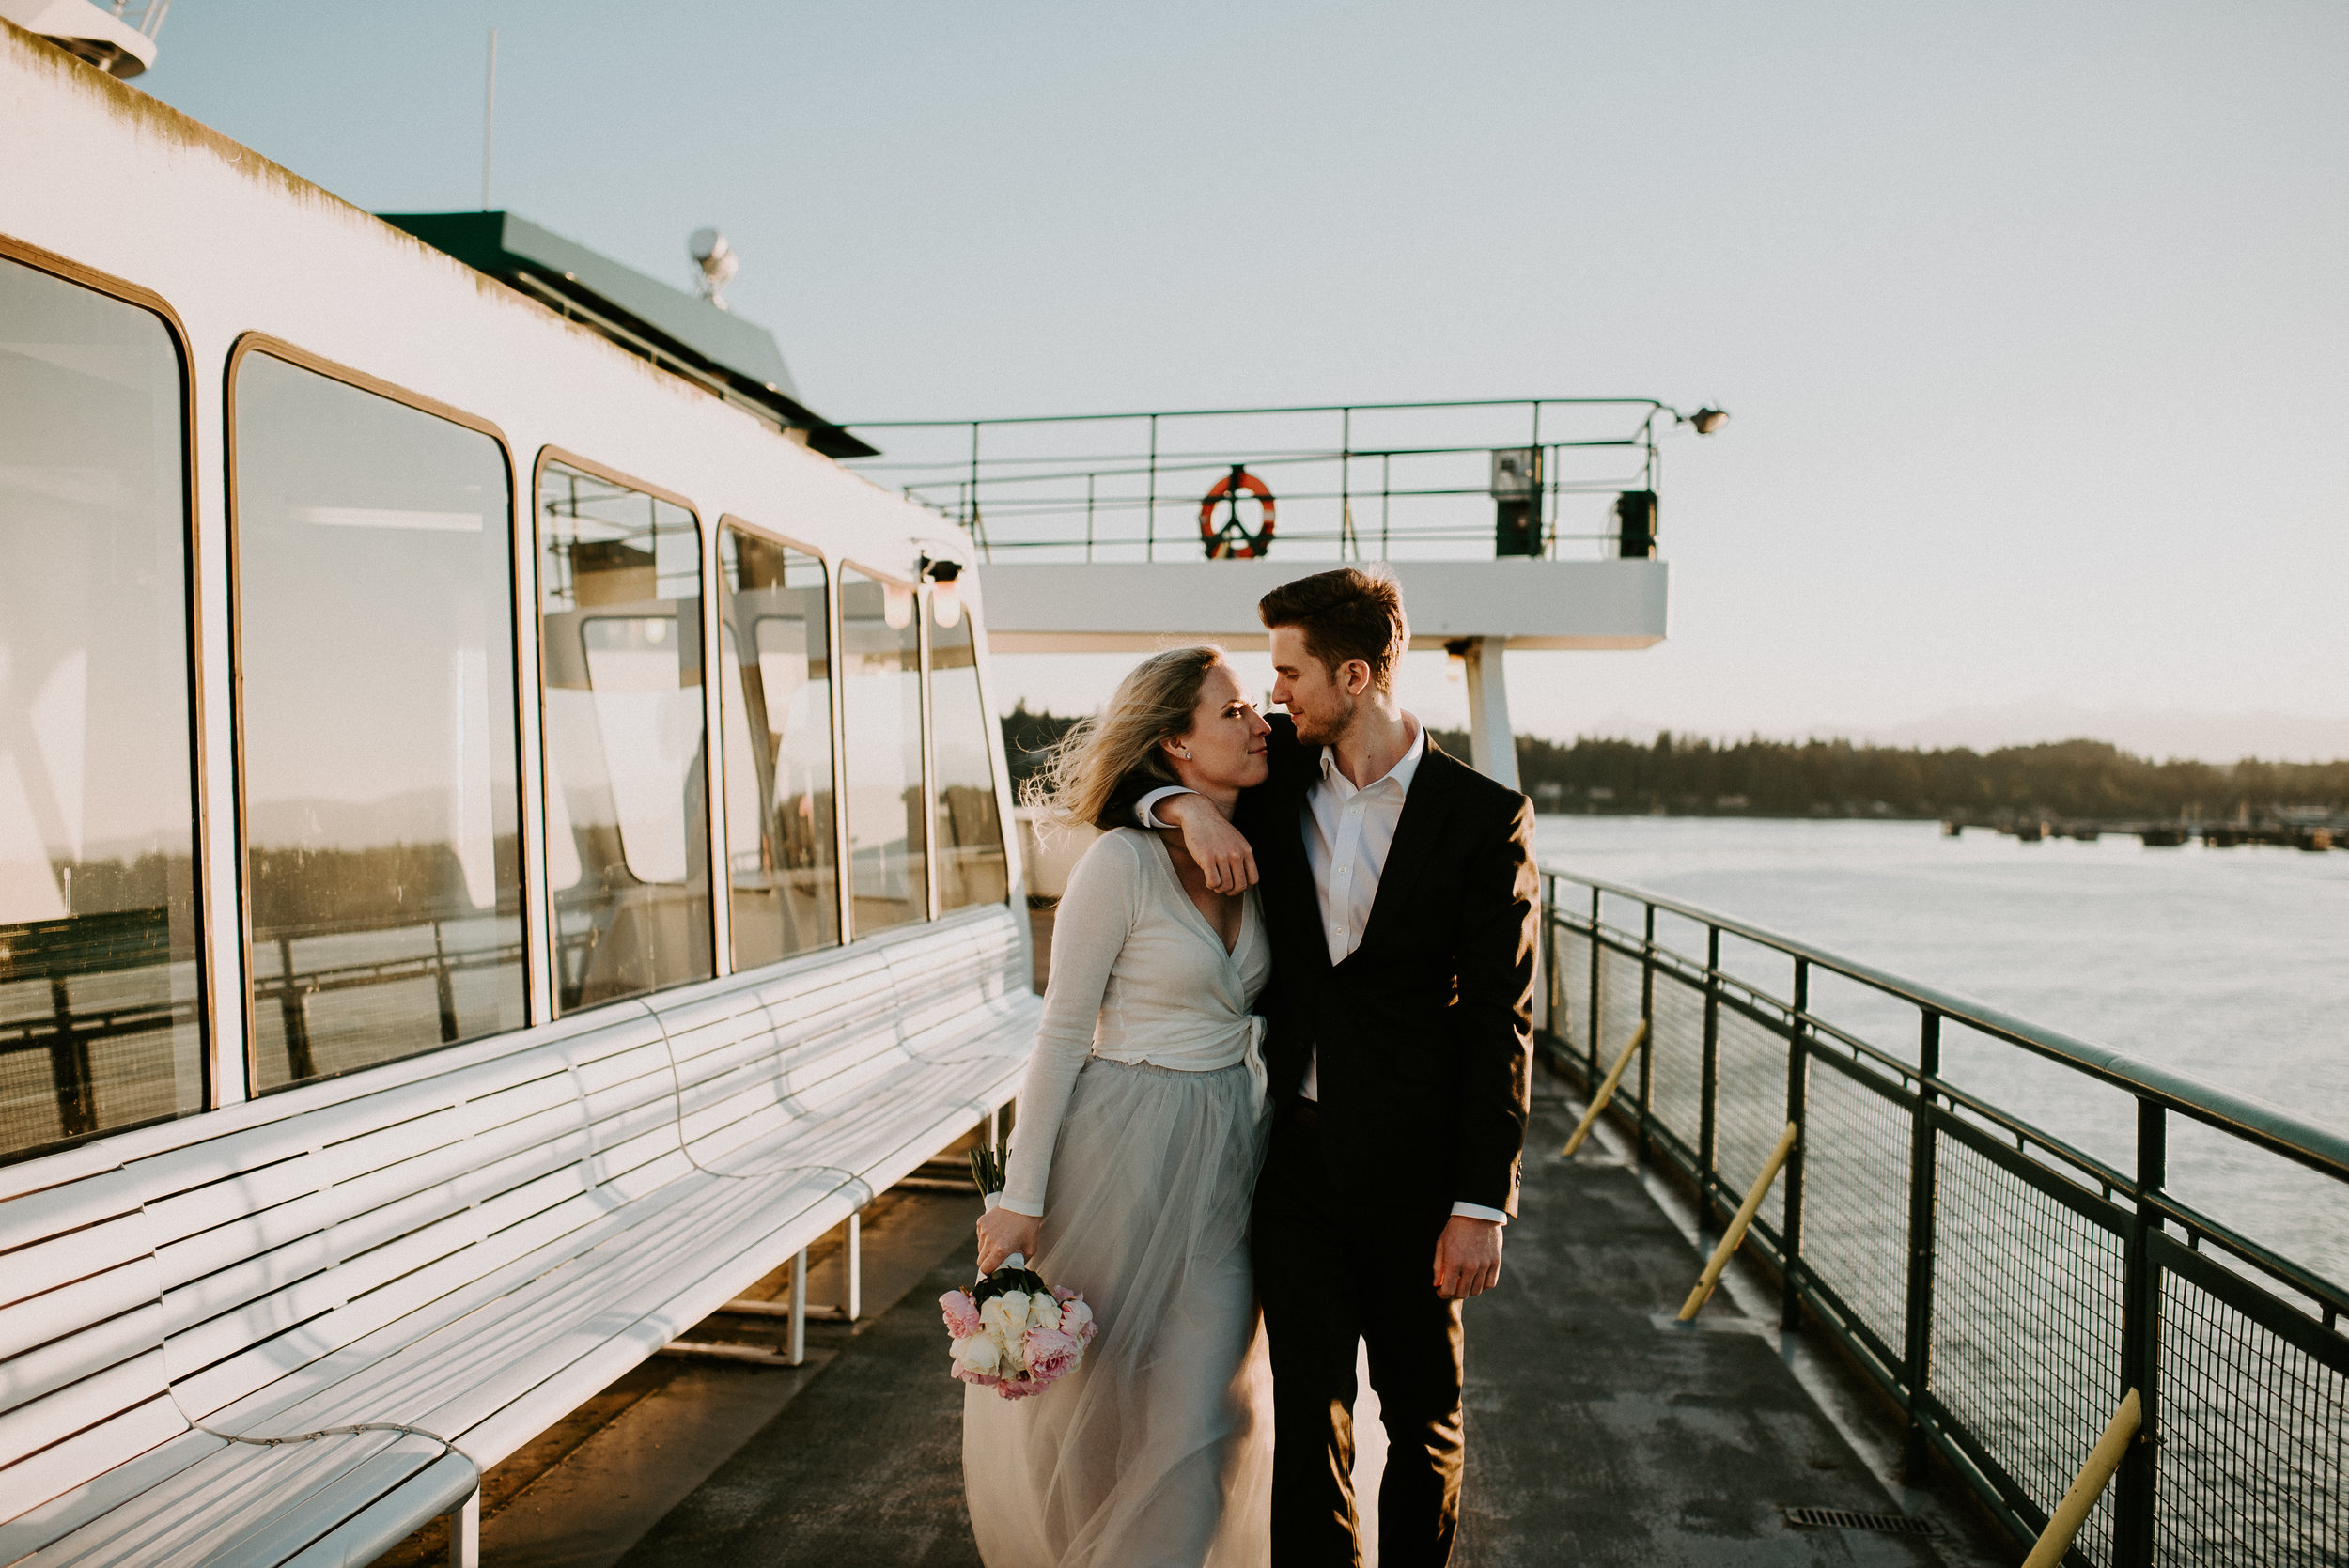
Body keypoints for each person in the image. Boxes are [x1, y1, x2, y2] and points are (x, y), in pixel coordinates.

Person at [1116, 567, 1535, 1568]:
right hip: (1296, 1168)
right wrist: (1186, 808)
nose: (1276, 696)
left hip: (1420, 1179)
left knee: (1424, 1417)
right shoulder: (1272, 789)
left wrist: (1482, 1202)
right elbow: (1126, 777)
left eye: (1291, 673)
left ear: (1354, 674)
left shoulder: (1482, 816)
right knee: (1309, 1416)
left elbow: (1501, 1020)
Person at [966, 645, 1279, 1568]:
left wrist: (1186, 803)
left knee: (1203, 1419)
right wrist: (1021, 1194)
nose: (1261, 721)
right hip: (1117, 1157)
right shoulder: (1120, 864)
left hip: (1228, 1160)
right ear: (1176, 740)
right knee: (1090, 1419)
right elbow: (1062, 1034)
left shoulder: (1268, 835)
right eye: (1234, 711)